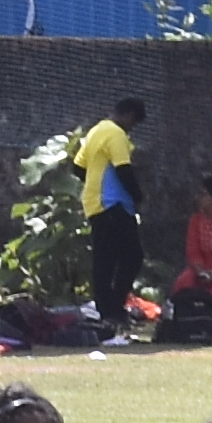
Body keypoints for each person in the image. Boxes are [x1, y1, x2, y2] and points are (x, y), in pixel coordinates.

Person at [67, 96, 151, 323]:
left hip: (95, 204)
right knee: (132, 257)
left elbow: (77, 167)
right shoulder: (116, 134)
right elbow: (123, 169)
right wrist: (137, 196)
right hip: (114, 204)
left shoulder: (96, 131)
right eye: (133, 122)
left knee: (106, 259)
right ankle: (112, 308)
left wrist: (94, 182)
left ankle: (108, 309)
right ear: (129, 115)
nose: (132, 127)